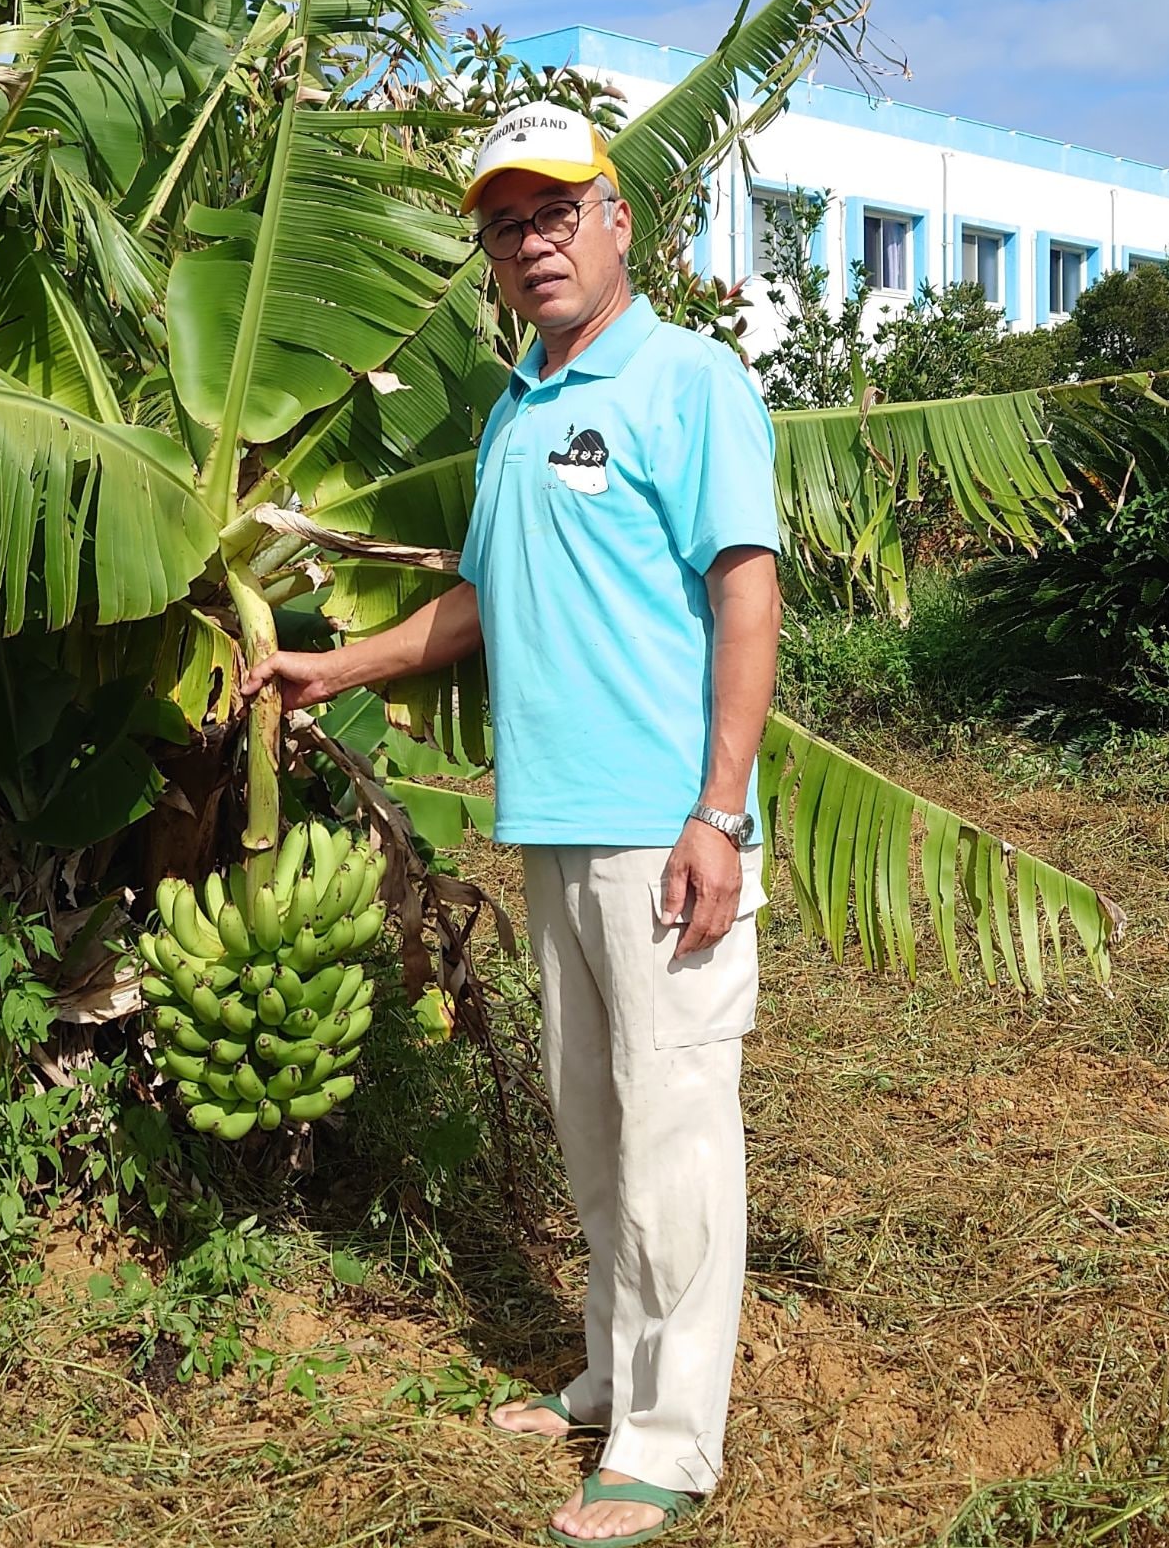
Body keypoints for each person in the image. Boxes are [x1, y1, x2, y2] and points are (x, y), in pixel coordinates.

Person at [242, 103, 782, 1544]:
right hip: (553, 822)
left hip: (665, 826)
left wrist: (719, 812)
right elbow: (480, 602)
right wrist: (330, 665)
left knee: (677, 1136)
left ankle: (671, 1445)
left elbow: (746, 593)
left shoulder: (690, 383)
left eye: (558, 210)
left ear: (618, 218)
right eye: (506, 220)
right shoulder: (515, 409)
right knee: (597, 1128)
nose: (533, 240)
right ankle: (614, 1374)